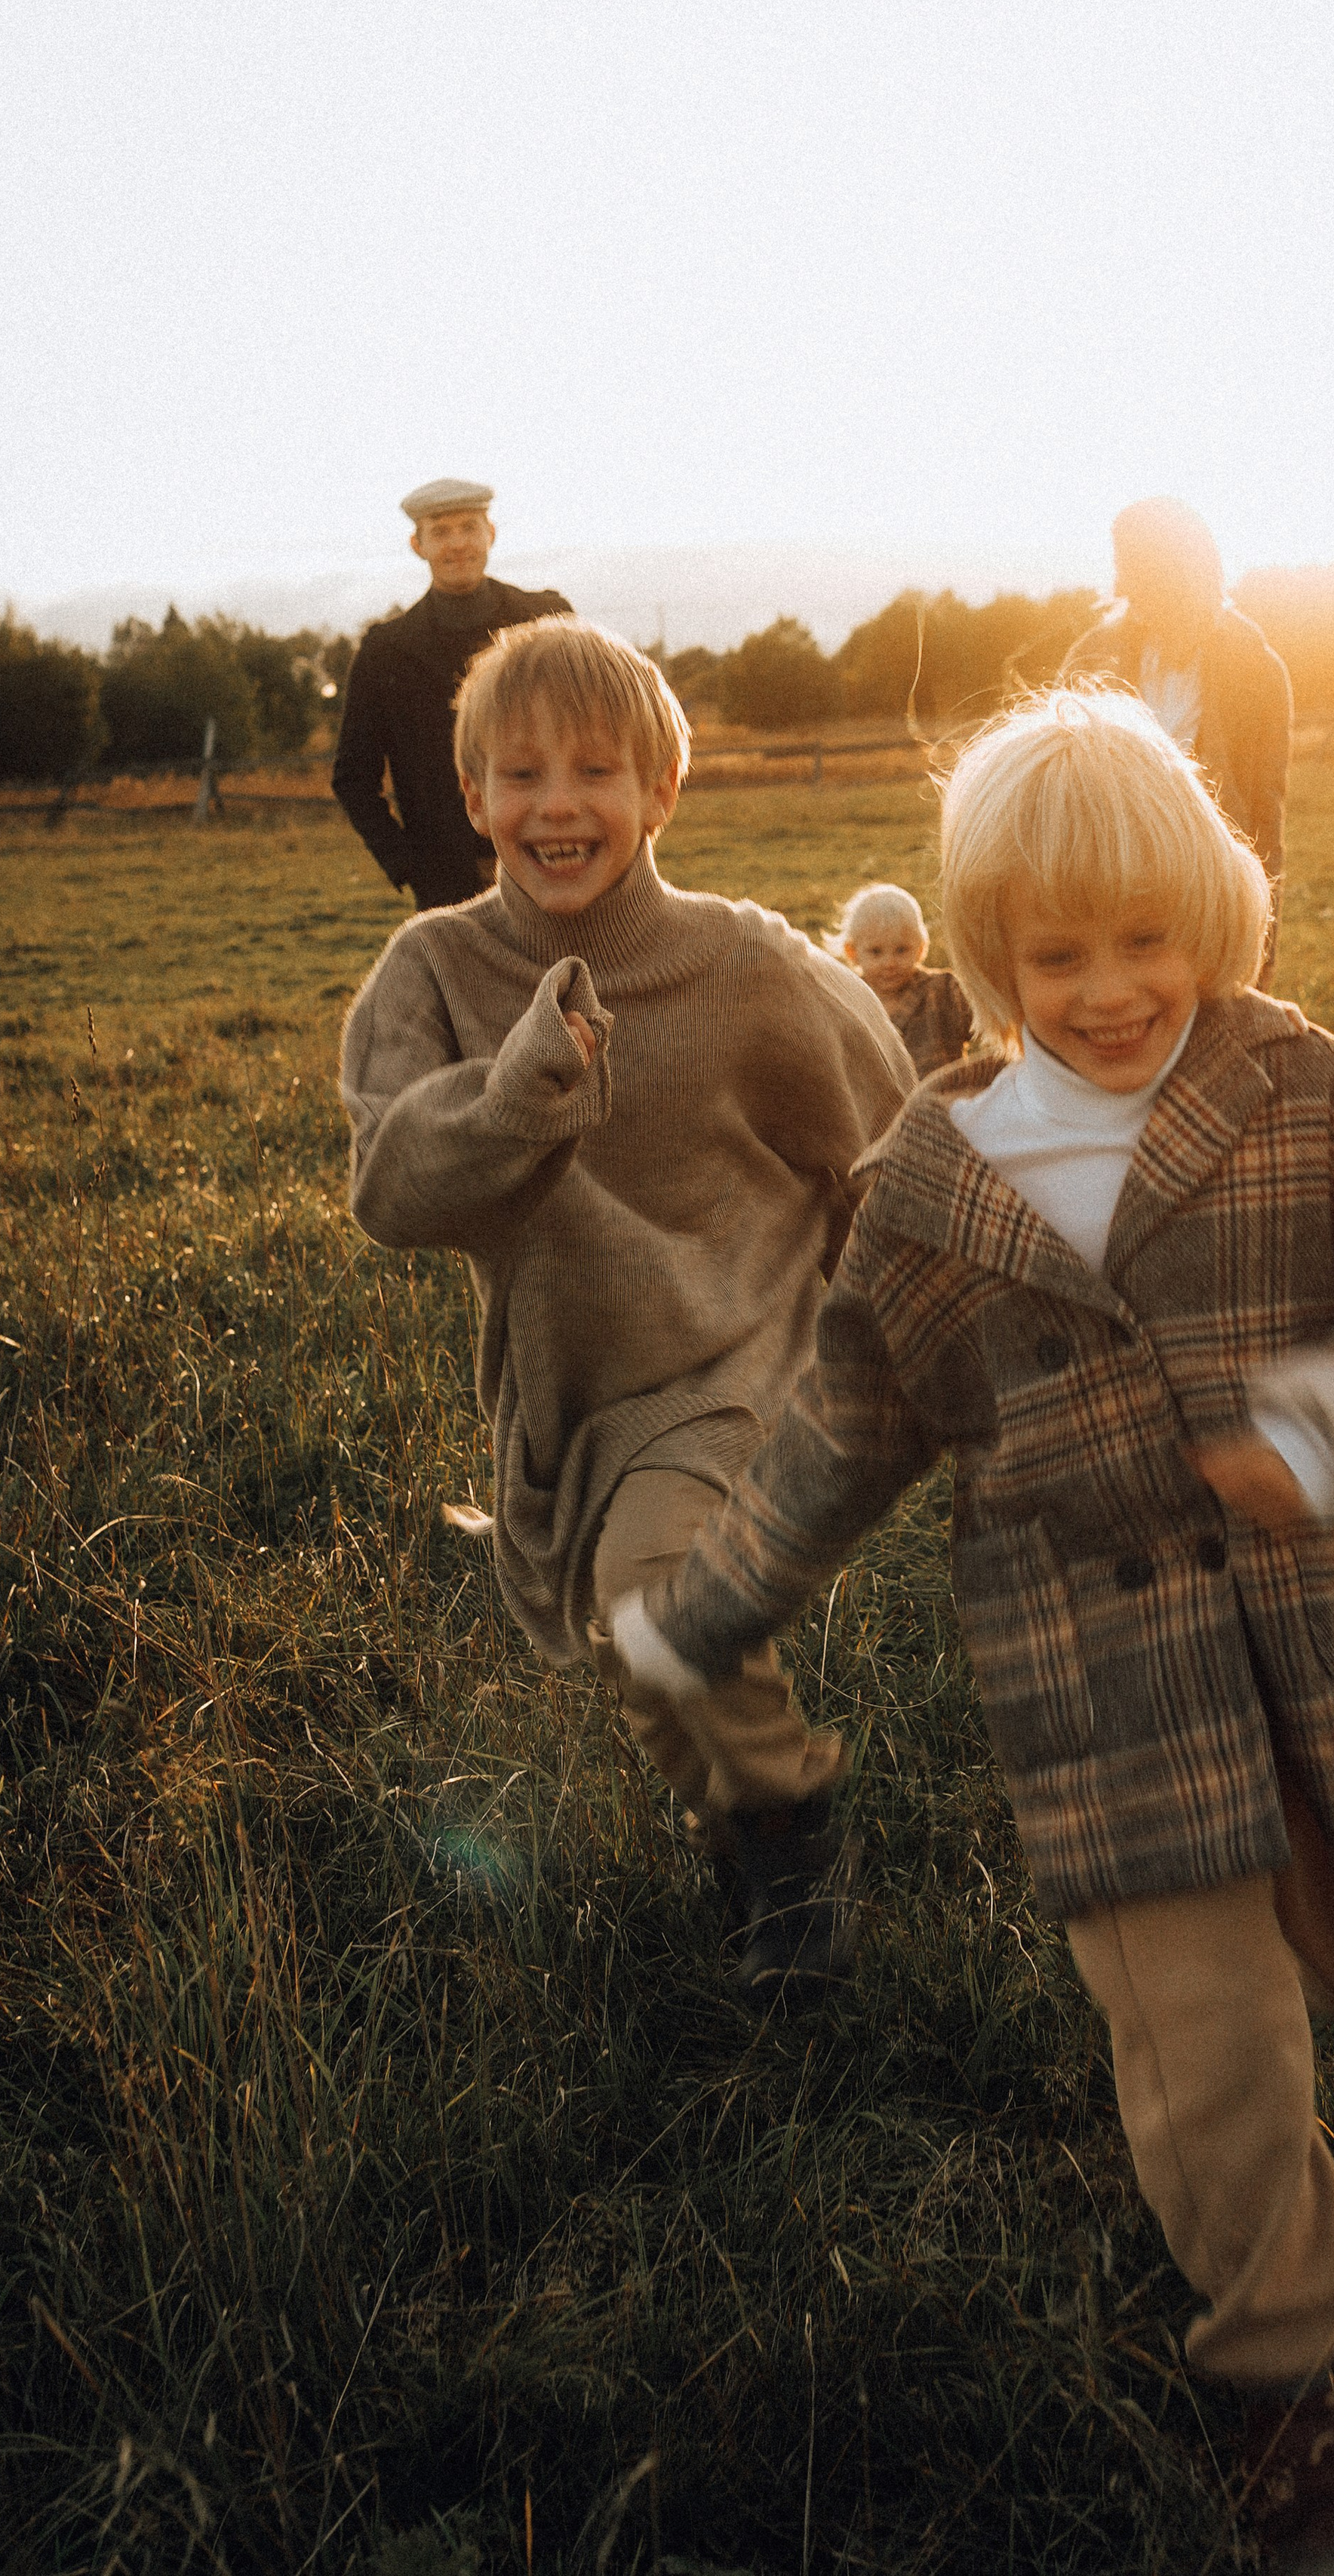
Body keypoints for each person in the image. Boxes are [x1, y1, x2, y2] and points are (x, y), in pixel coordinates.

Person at [608, 688, 1334, 2570]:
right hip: (1102, 1690)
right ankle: (1301, 2396)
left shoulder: (1296, 1089)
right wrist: (710, 1607)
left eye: (1145, 939)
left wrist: (1332, 1416)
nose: (1107, 987)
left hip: (1312, 1635)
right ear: (990, 955)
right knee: (1206, 2038)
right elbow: (846, 1424)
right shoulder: (931, 1188)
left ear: (1214, 919)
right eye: (1055, 951)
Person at [340, 617, 914, 1999]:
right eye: (520, 775)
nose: (557, 803)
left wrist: (906, 1317)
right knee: (632, 1636)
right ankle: (739, 1828)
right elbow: (393, 1185)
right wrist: (519, 1088)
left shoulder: (744, 965)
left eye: (596, 771)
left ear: (661, 794)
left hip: (736, 1348)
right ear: (469, 799)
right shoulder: (430, 971)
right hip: (570, 1389)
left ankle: (789, 1836)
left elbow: (886, 1124)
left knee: (654, 1594)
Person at [1062, 496, 1293, 976]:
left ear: (1193, 576)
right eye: (1128, 580)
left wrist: (1260, 947)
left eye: (1149, 582)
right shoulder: (1091, 658)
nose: (1132, 595)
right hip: (1108, 878)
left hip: (1207, 879)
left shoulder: (1257, 669)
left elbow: (1263, 812)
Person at [333, 478, 573, 909]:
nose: (457, 544)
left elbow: (593, 736)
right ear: (417, 544)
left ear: (491, 534)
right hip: (446, 887)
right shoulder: (386, 650)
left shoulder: (546, 620)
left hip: (553, 862)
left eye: (469, 527)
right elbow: (353, 778)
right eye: (440, 532)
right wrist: (408, 865)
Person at [829, 881, 973, 1078]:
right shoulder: (846, 1001)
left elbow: (996, 1019)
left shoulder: (943, 992)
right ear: (852, 952)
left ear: (921, 948)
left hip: (942, 1102)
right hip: (878, 1106)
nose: (890, 963)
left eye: (901, 950)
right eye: (876, 952)